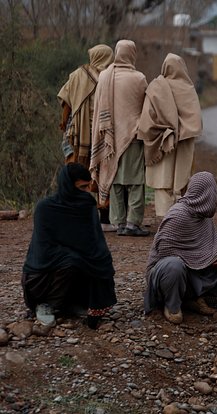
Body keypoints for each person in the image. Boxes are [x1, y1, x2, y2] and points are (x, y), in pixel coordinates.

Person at [22, 163, 117, 329]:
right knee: (71, 261)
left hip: (75, 265)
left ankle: (73, 302)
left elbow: (94, 243)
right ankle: (46, 304)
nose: (87, 191)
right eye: (82, 187)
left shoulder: (87, 207)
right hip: (42, 275)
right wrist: (76, 254)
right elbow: (44, 251)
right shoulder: (46, 208)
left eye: (89, 186)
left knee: (99, 260)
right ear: (68, 185)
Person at [144, 172, 217, 324]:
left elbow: (216, 246)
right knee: (174, 266)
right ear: (204, 194)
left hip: (190, 270)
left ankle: (195, 300)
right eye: (213, 194)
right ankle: (172, 306)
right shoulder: (178, 215)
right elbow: (164, 253)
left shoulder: (201, 216)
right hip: (165, 274)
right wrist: (204, 260)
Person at [90, 39, 149, 237]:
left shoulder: (104, 76)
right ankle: (133, 223)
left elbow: (97, 108)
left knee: (114, 180)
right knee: (135, 182)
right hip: (132, 137)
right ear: (132, 54)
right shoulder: (139, 78)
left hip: (109, 138)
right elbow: (145, 107)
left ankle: (118, 223)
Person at [57, 44, 115, 231]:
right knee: (103, 173)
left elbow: (65, 102)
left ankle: (72, 215)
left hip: (77, 138)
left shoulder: (77, 75)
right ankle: (104, 217)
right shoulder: (110, 78)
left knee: (74, 172)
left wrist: (63, 123)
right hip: (101, 136)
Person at [138, 53, 202, 218]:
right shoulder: (188, 88)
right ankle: (182, 217)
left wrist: (164, 129)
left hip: (161, 140)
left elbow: (147, 117)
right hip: (184, 142)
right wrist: (181, 129)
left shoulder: (156, 86)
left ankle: (165, 217)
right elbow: (195, 119)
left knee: (163, 180)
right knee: (182, 180)